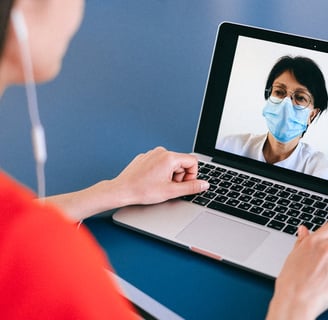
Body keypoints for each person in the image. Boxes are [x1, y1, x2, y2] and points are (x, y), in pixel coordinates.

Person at [1, 1, 328, 319]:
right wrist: (294, 304)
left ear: (314, 113)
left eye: (299, 98)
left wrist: (116, 190)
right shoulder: (55, 272)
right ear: (24, 7)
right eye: (279, 92)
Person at [218, 56, 328, 179]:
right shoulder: (230, 146)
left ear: (312, 115)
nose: (286, 105)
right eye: (279, 92)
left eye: (300, 97)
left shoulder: (319, 168)